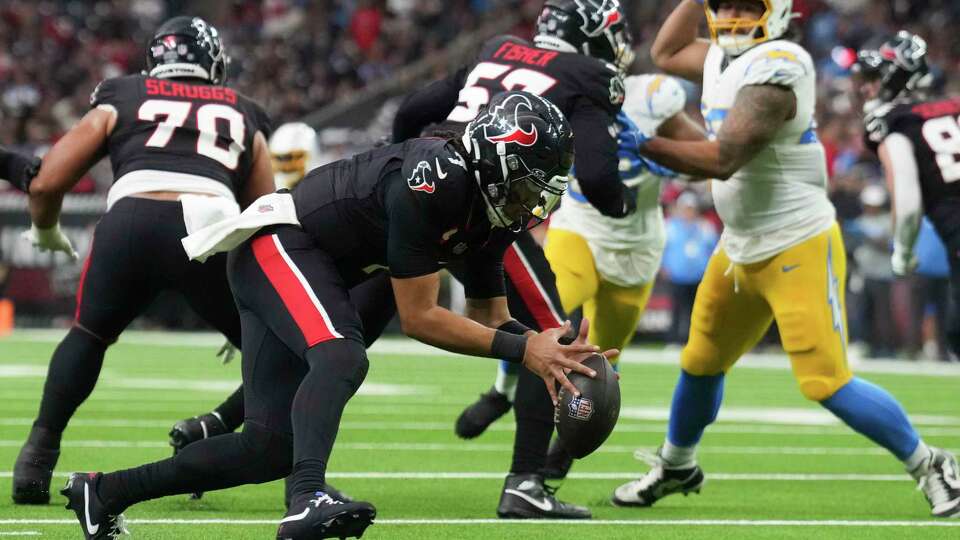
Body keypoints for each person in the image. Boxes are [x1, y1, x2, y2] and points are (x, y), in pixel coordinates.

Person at [62, 90, 611, 540]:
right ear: (498, 158)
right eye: (529, 181)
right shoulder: (437, 176)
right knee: (342, 353)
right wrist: (525, 349)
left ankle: (104, 491)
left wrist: (547, 351)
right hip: (277, 243)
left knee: (265, 448)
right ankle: (307, 500)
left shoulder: (491, 213)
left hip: (302, 261)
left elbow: (490, 315)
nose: (535, 200)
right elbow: (419, 317)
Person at [610, 1, 960, 518]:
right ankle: (677, 464)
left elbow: (724, 159)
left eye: (744, 4)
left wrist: (639, 142)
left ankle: (931, 464)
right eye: (722, 3)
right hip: (739, 244)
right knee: (700, 363)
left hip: (795, 241)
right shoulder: (719, 59)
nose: (730, 14)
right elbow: (665, 50)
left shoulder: (781, 62)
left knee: (825, 381)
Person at [11, 16, 276, 507]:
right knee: (279, 351)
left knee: (88, 336)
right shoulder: (245, 110)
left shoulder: (123, 93)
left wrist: (45, 231)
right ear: (214, 64)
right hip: (207, 226)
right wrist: (251, 305)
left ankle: (37, 456)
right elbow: (266, 211)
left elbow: (47, 181)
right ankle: (282, 467)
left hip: (130, 219)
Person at [393, 0, 641, 518]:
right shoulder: (588, 72)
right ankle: (528, 482)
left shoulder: (498, 47)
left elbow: (412, 112)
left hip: (417, 186)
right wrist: (623, 202)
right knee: (555, 339)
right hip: (485, 207)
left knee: (345, 326)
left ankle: (230, 431)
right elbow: (597, 180)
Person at [855, 31, 960, 369]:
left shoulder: (896, 122)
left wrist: (903, 251)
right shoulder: (954, 106)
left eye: (872, 78)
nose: (864, 87)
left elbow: (907, 194)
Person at [661, 191, 718, 344]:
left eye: (691, 208)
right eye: (686, 208)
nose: (688, 212)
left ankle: (695, 342)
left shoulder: (705, 227)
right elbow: (661, 248)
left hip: (699, 275)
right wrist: (663, 266)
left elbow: (714, 250)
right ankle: (673, 341)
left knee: (697, 312)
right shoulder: (670, 226)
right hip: (677, 275)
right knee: (676, 310)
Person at [850, 184, 896, 357]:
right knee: (861, 311)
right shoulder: (860, 221)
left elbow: (890, 246)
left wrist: (869, 237)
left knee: (883, 313)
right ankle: (863, 345)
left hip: (882, 274)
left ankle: (885, 348)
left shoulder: (888, 221)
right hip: (863, 273)